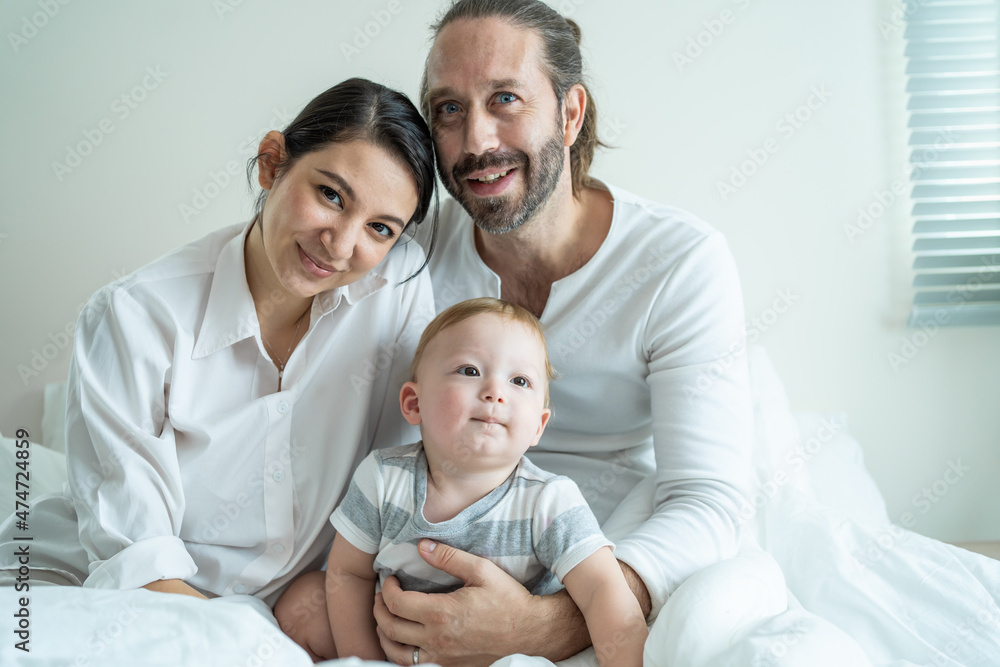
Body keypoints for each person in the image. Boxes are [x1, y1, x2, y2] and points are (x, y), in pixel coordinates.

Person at [363, 1, 754, 665]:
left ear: (570, 114)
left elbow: (709, 500)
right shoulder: (410, 245)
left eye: (505, 98)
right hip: (448, 532)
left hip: (614, 541)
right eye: (449, 109)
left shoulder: (679, 260)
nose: (477, 140)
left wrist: (551, 622)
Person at [0, 78, 438, 610]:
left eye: (380, 228)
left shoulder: (397, 284)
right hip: (93, 590)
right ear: (272, 163)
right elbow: (140, 567)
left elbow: (407, 476)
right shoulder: (135, 316)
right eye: (330, 195)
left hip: (272, 612)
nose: (342, 245)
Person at [274, 297, 648, 666]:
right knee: (303, 602)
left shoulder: (549, 501)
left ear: (539, 425)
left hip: (495, 652)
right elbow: (349, 572)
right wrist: (367, 660)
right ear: (414, 404)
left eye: (519, 380)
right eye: (469, 371)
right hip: (398, 637)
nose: (495, 392)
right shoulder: (384, 477)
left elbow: (603, 590)